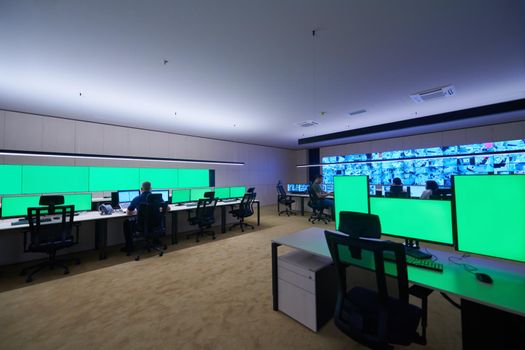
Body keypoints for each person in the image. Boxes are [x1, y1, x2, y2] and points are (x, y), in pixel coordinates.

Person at [122, 181, 154, 253]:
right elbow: (168, 208)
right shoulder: (156, 197)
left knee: (126, 222)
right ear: (151, 188)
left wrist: (137, 212)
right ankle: (155, 241)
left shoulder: (137, 198)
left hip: (141, 226)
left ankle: (129, 247)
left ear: (141, 189)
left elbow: (128, 213)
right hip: (155, 224)